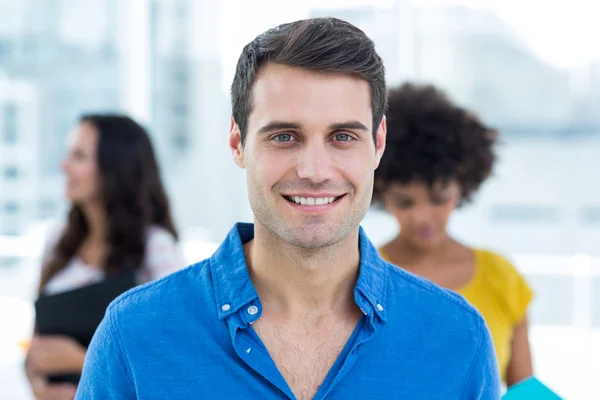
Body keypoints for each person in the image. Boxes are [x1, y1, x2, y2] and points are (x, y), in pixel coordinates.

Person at [76, 18, 500, 399]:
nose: (314, 171)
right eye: (284, 137)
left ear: (379, 142)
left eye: (342, 137)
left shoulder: (457, 339)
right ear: (238, 142)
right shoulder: (134, 335)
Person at [374, 83, 534, 387]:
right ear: (381, 193)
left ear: (462, 187)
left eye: (438, 198)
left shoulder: (500, 277)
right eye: (404, 202)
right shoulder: (359, 275)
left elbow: (523, 389)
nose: (422, 216)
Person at [25, 114, 183, 400]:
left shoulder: (154, 247)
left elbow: (172, 356)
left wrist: (79, 360)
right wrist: (39, 383)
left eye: (79, 156)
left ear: (115, 170)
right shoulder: (57, 241)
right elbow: (36, 347)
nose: (64, 165)